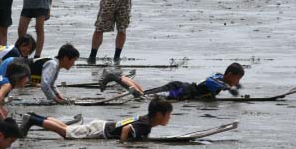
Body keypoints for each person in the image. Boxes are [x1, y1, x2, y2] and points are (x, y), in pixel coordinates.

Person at [20, 98, 173, 143]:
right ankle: (33, 120)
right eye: (168, 114)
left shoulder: (146, 120)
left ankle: (35, 117)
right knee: (66, 132)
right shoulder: (146, 125)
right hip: (101, 130)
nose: (169, 118)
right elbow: (127, 129)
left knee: (66, 129)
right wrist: (123, 144)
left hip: (102, 125)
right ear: (159, 114)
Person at [100, 63, 245, 100]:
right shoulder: (216, 79)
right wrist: (228, 87)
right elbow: (210, 81)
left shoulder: (219, 77)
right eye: (237, 78)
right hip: (179, 90)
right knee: (142, 97)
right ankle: (115, 78)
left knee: (143, 94)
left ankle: (120, 77)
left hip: (180, 89)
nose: (236, 82)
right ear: (230, 74)